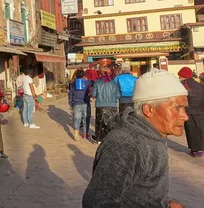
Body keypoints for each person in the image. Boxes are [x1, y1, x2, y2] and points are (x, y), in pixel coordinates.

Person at [83, 69, 188, 208]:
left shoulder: (153, 135)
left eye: (185, 108)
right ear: (149, 110)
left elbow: (140, 189)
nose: (185, 116)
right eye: (177, 108)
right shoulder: (124, 144)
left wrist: (164, 203)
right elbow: (97, 202)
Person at [178, 67, 204, 157]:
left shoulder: (182, 85)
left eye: (180, 76)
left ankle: (194, 150)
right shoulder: (199, 84)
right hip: (201, 110)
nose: (179, 77)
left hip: (188, 111)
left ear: (183, 76)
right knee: (201, 129)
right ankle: (201, 149)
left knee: (191, 130)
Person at [91, 67, 121, 143]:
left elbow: (94, 94)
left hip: (100, 105)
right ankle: (112, 139)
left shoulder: (97, 82)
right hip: (112, 105)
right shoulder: (114, 83)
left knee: (100, 123)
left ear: (100, 73)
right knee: (112, 122)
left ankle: (99, 139)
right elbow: (118, 95)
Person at [69, 69, 93, 141]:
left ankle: (76, 134)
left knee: (77, 119)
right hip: (86, 103)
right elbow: (94, 83)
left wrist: (71, 104)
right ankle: (85, 135)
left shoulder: (72, 84)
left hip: (76, 104)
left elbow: (70, 94)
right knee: (86, 119)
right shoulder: (87, 82)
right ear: (83, 75)